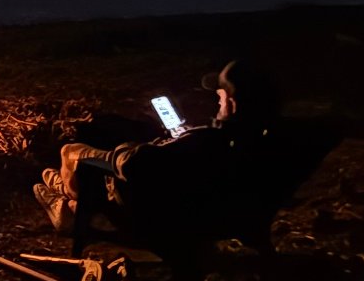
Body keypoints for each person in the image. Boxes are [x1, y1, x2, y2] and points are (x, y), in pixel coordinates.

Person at [33, 60, 279, 233]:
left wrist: (132, 148)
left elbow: (135, 164)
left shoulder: (210, 142)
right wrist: (186, 138)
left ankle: (66, 200)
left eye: (221, 99)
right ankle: (64, 194)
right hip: (206, 208)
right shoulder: (267, 144)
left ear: (233, 104)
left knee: (70, 152)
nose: (218, 103)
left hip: (155, 211)